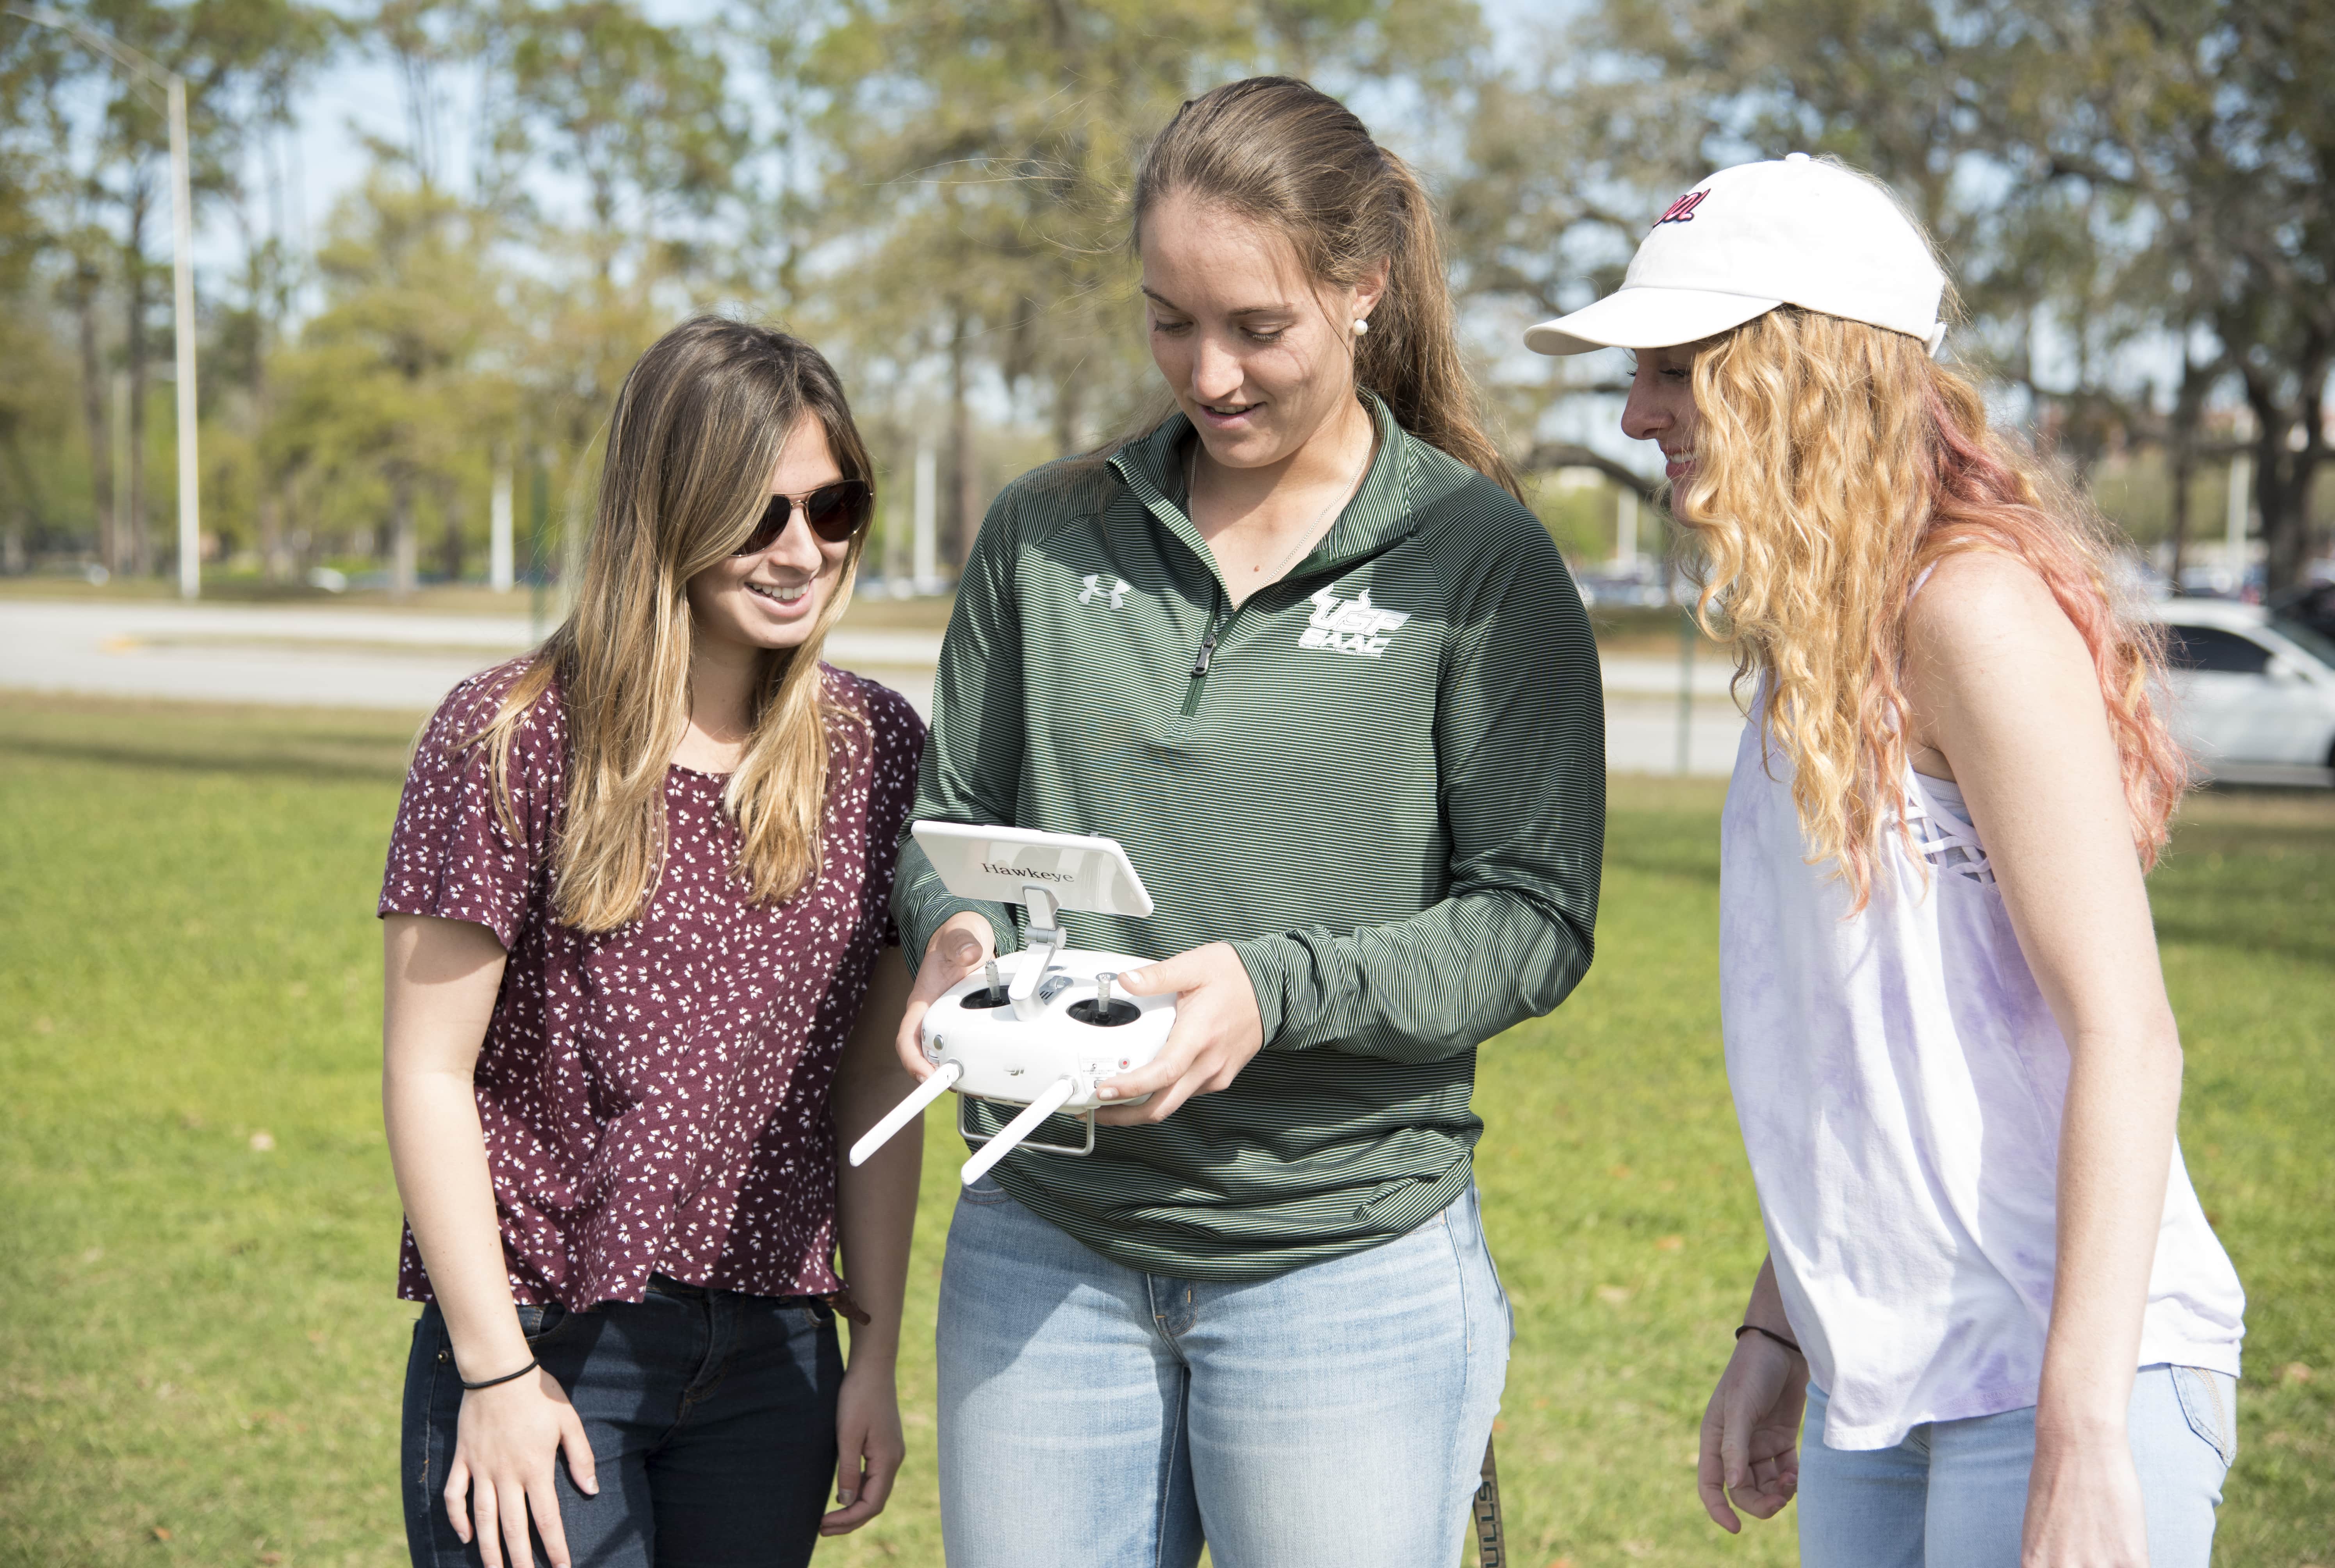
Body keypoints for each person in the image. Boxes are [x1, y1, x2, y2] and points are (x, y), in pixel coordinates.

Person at [890, 76, 1606, 1568]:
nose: (1206, 374)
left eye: (1255, 328)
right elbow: (950, 816)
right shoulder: (1043, 529)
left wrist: (1271, 994)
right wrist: (950, 933)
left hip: (1339, 1262)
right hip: (1044, 1238)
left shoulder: (1479, 562)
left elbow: (1534, 922)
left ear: (1363, 290)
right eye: (1168, 319)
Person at [1525, 156, 2245, 1566]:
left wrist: (2083, 1434)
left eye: (1677, 367)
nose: (1637, 412)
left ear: (1801, 369)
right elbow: (1861, 1061)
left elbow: (2130, 1036)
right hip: (1882, 1393)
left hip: (2063, 1377)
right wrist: (1777, 1327)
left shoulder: (1968, 613)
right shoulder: (1811, 655)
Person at [379, 316, 926, 1568]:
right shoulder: (508, 737)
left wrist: (874, 1354)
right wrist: (496, 1372)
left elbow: (876, 1086)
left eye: (835, 509)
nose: (803, 552)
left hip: (777, 1360)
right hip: (548, 1342)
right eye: (760, 514)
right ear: (667, 513)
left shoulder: (881, 752)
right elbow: (427, 1073)